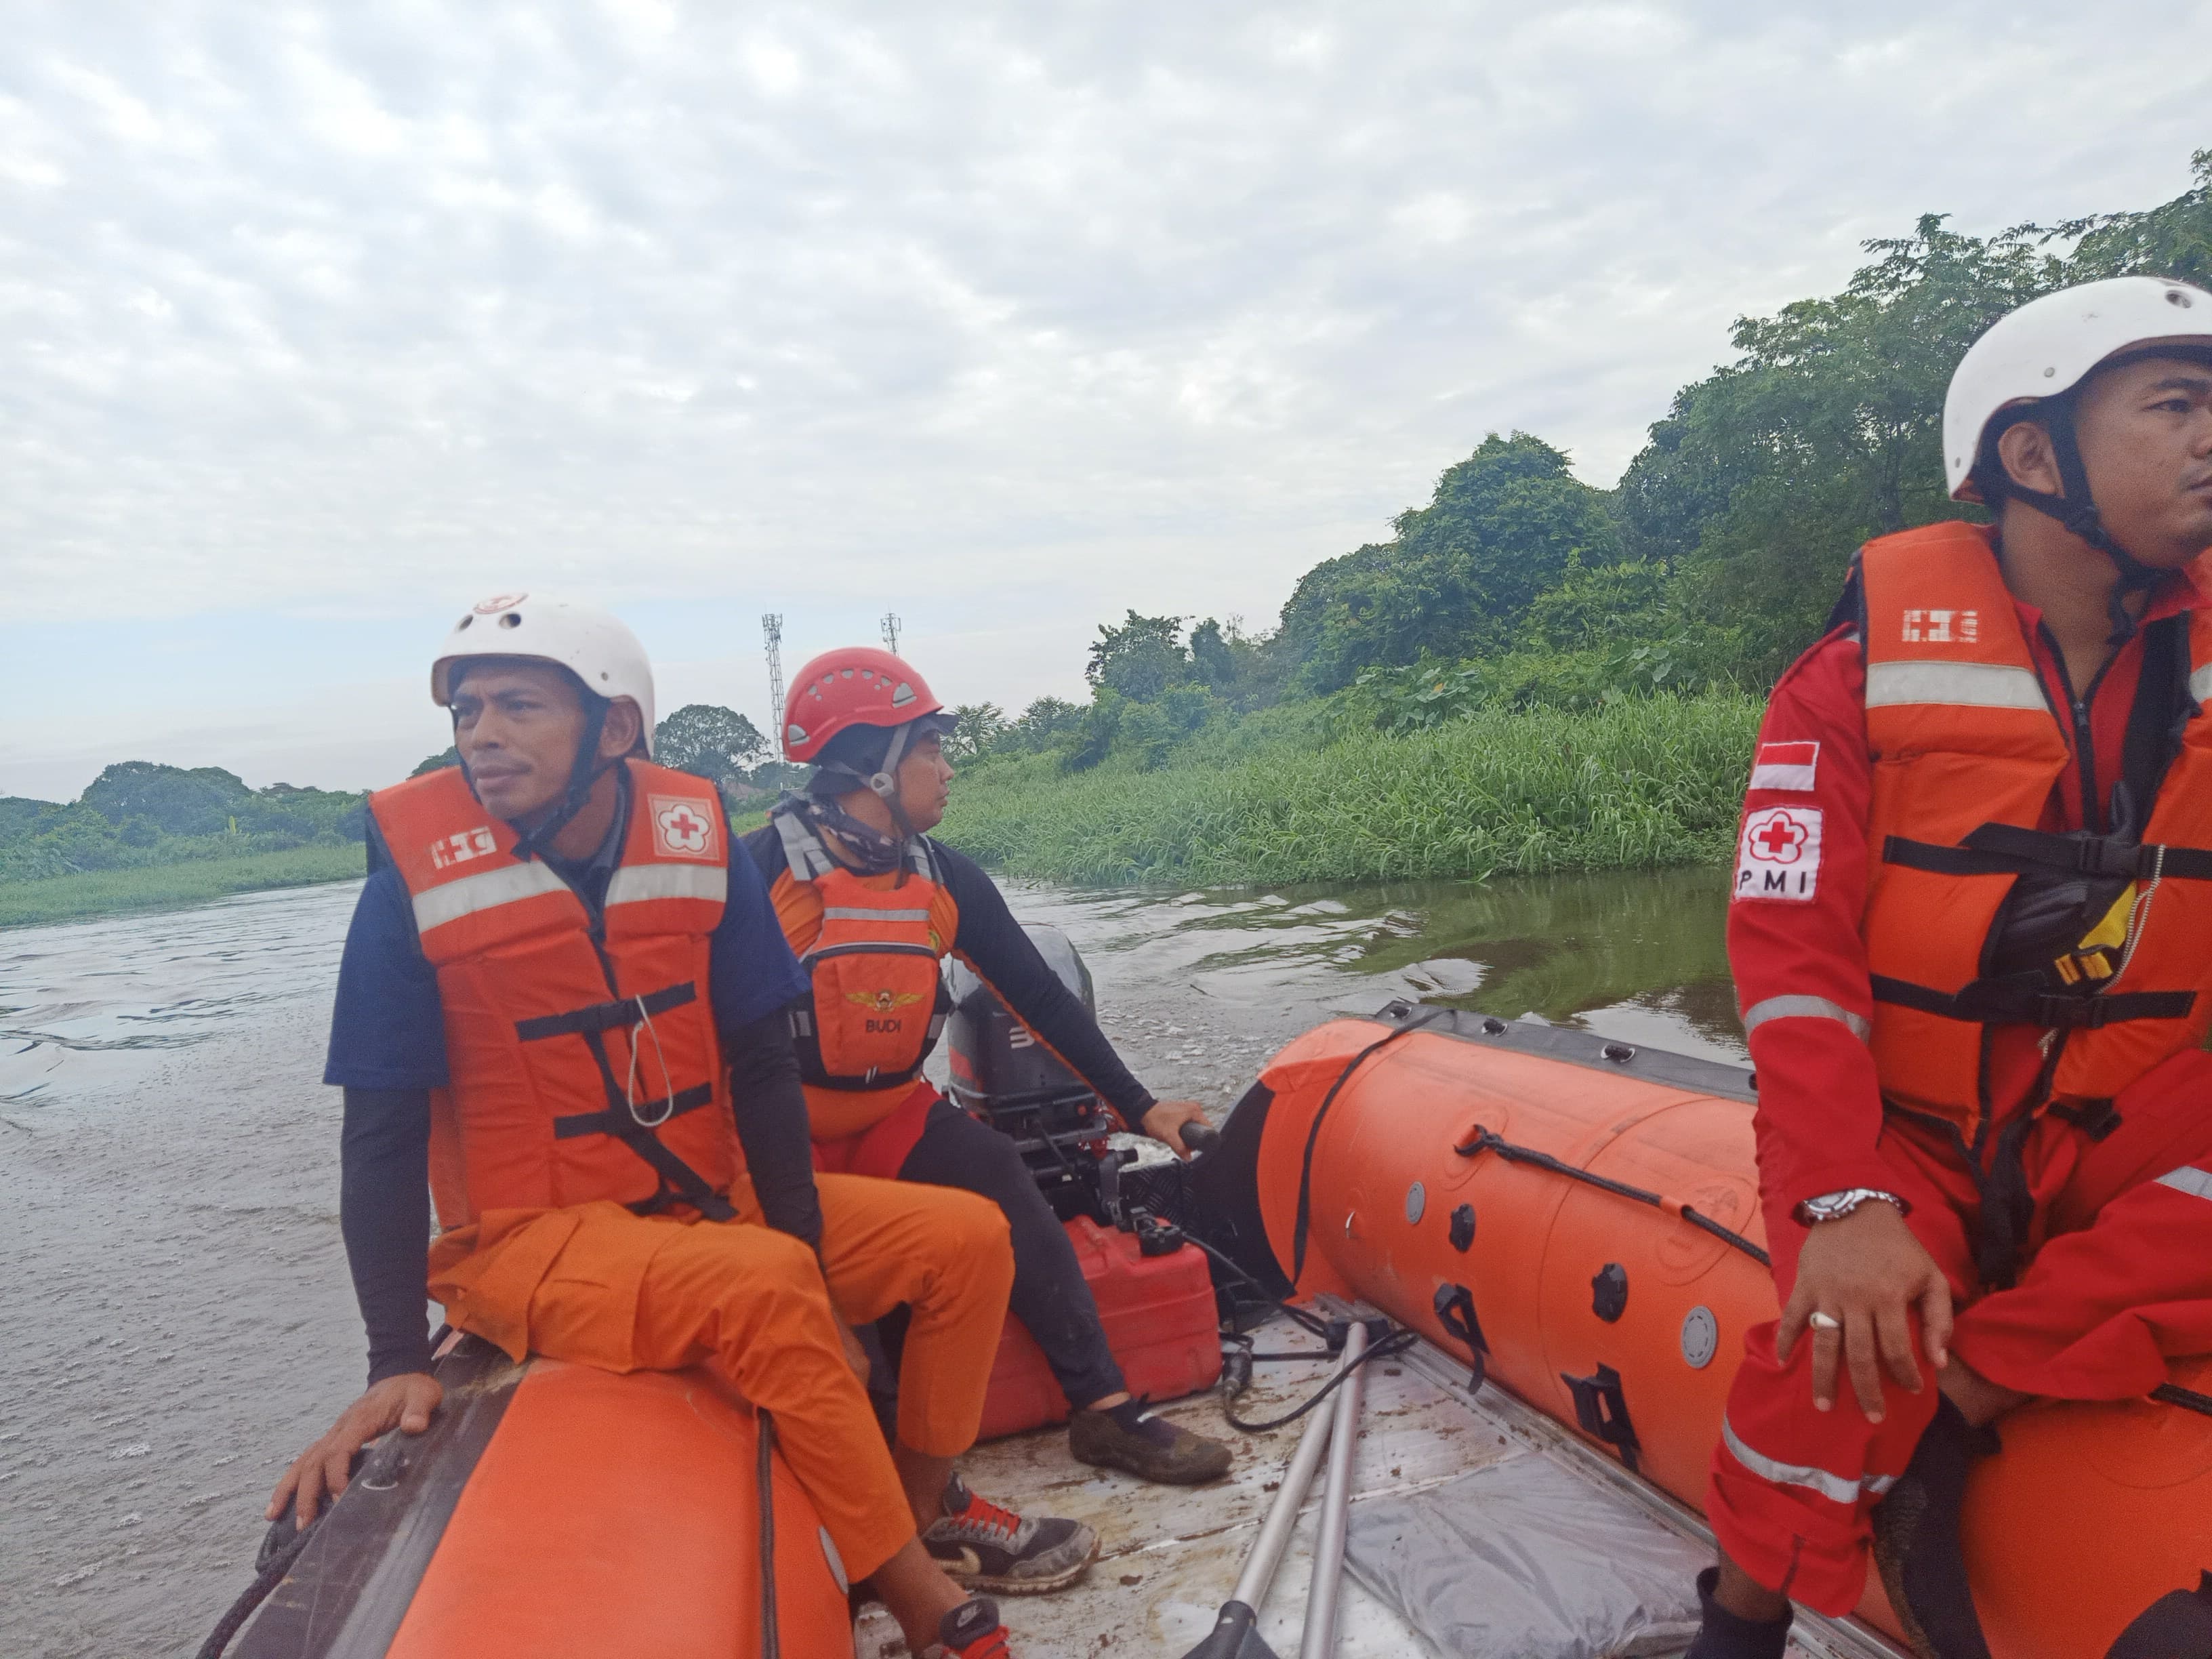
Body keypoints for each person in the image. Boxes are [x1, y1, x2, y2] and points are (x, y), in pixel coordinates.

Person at [266, 594, 1094, 1659]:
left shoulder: (693, 841)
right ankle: (921, 1598)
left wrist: (793, 1233)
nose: (482, 735)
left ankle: (916, 1505)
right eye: (468, 710)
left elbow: (757, 1061)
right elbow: (377, 1136)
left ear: (614, 730)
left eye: (518, 706)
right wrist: (393, 1357)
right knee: (766, 1286)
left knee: (965, 1239)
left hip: (706, 1198)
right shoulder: (407, 891)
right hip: (535, 1240)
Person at [1687, 276, 2212, 1659]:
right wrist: (1840, 1202)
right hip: (1910, 1131)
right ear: (2037, 458)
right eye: (2178, 406)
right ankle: (1739, 1625)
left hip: (2120, 1120)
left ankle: (1966, 1400)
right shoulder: (1843, 683)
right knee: (1841, 1346)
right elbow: (1789, 960)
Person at [742, 645, 1236, 1518]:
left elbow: (1039, 997)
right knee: (831, 1294)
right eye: (931, 745)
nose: (948, 765)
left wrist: (1138, 1105)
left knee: (1001, 1175)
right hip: (775, 1138)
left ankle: (1106, 1410)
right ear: (872, 764)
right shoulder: (757, 878)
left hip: (891, 1113)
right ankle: (895, 1481)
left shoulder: (941, 875)